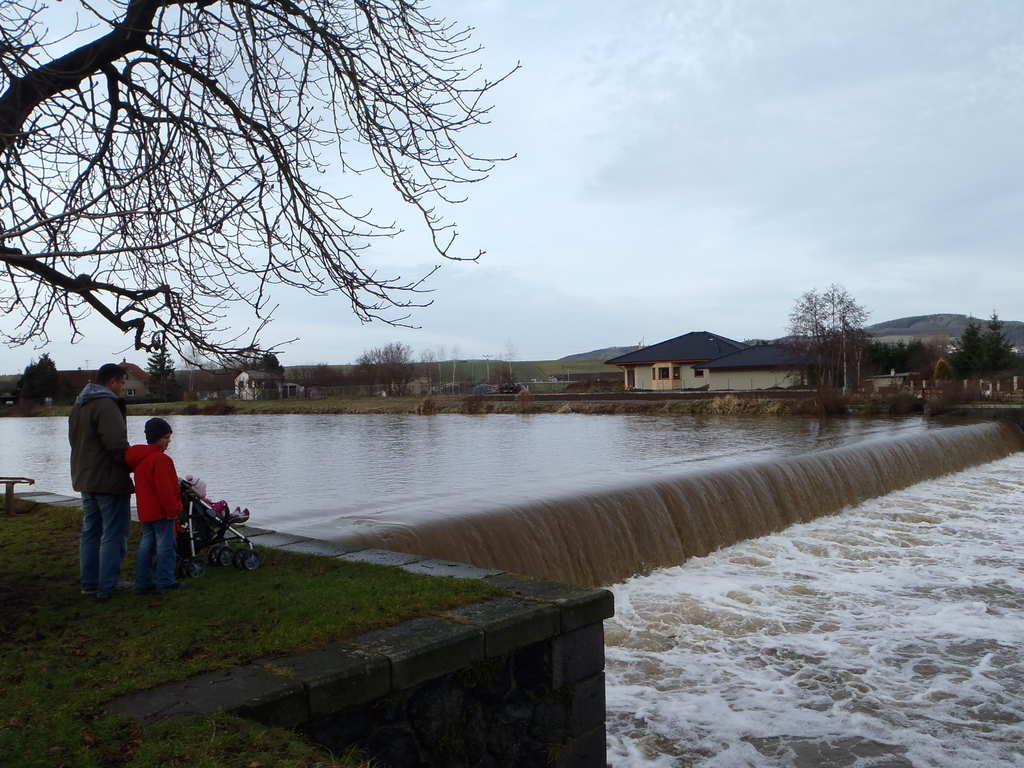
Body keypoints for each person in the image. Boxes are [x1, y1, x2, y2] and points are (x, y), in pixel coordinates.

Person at [69, 363, 134, 599]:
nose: (124, 387)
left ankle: (90, 583)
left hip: (85, 477)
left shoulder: (79, 405)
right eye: (123, 382)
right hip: (108, 479)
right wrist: (132, 464)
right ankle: (109, 584)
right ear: (113, 381)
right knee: (114, 532)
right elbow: (116, 443)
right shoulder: (106, 405)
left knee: (91, 532)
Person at [126, 418, 185, 593]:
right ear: (157, 438)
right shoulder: (161, 460)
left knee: (146, 545)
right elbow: (165, 490)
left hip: (146, 512)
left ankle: (143, 582)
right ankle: (166, 581)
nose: (169, 441)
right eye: (166, 437)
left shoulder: (140, 461)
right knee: (166, 547)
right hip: (162, 512)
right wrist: (173, 511)